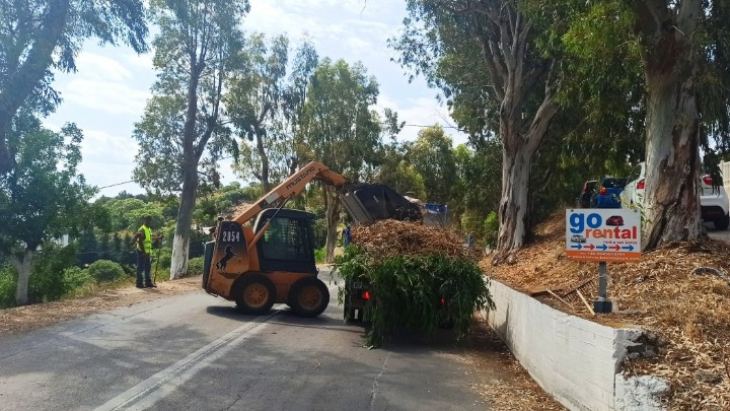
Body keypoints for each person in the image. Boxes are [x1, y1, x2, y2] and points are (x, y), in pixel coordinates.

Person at [133, 216, 156, 288]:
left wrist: (158, 238)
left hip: (147, 251)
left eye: (150, 220)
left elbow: (149, 239)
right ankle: (139, 283)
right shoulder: (142, 229)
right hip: (141, 251)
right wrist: (143, 252)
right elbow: (140, 241)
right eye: (147, 220)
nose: (149, 222)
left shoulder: (148, 229)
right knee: (140, 267)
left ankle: (148, 283)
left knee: (148, 267)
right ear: (144, 221)